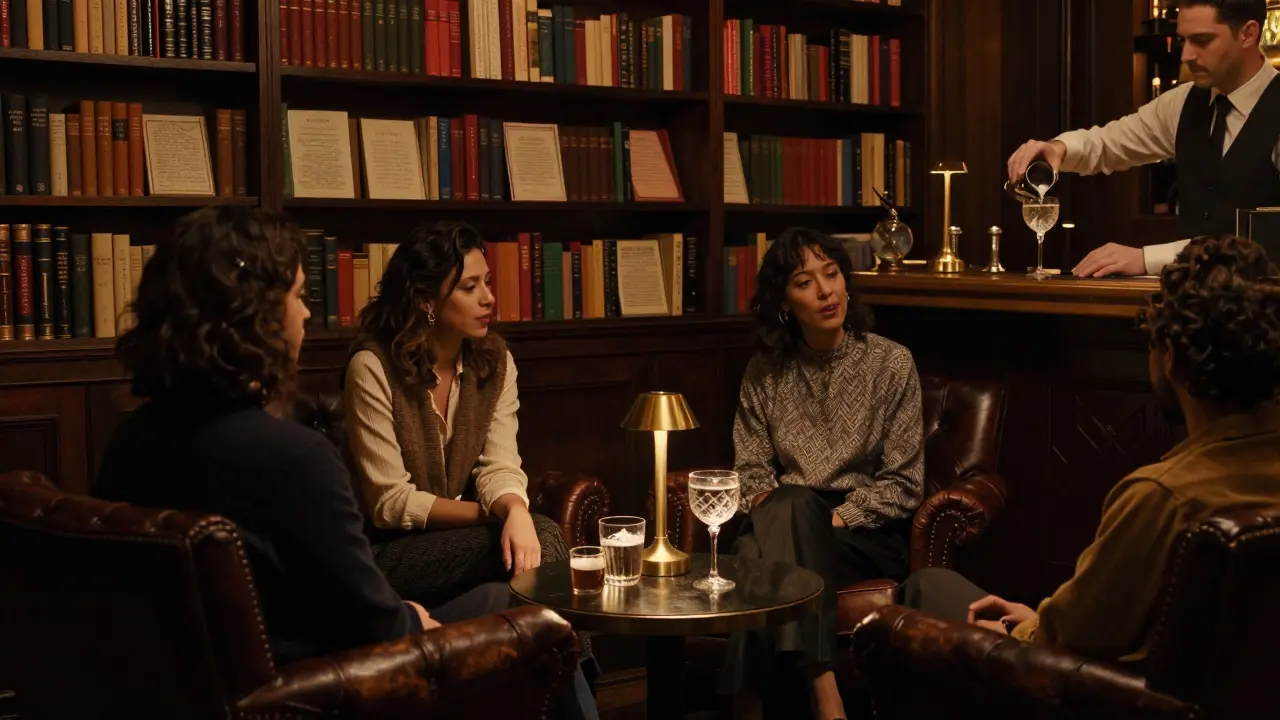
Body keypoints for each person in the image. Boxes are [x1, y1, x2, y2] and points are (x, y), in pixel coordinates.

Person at [92, 206, 500, 667]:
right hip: (319, 685)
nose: (306, 313)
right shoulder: (295, 459)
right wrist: (410, 618)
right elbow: (374, 626)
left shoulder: (127, 442)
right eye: (300, 295)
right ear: (257, 314)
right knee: (519, 616)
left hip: (190, 687)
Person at [899, 234, 1280, 664]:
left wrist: (1021, 633)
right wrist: (1036, 620)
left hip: (1092, 693)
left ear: (1170, 356)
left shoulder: (1161, 497)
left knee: (926, 588)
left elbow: (1072, 640)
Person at [343, 221, 598, 720]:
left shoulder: (494, 361)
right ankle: (583, 679)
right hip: (390, 555)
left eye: (487, 281)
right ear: (426, 300)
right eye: (469, 286)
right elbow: (390, 502)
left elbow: (499, 464)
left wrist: (515, 509)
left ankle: (571, 684)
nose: (488, 297)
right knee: (542, 537)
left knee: (529, 582)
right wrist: (493, 516)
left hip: (461, 552)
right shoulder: (372, 367)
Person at [722, 227, 925, 720]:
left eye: (831, 275)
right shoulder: (765, 370)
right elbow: (750, 474)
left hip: (862, 532)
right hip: (783, 514)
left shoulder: (892, 363)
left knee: (755, 552)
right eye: (804, 282)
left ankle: (751, 703)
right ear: (785, 302)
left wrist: (832, 519)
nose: (825, 291)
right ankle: (822, 684)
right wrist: (795, 516)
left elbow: (904, 484)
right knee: (778, 518)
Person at [1005, 0, 1277, 278]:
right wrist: (1058, 148)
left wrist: (1148, 258)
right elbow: (1109, 143)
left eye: (1202, 41)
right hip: (1190, 306)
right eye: (1184, 40)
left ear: (1248, 33)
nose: (1186, 55)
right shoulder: (1182, 104)